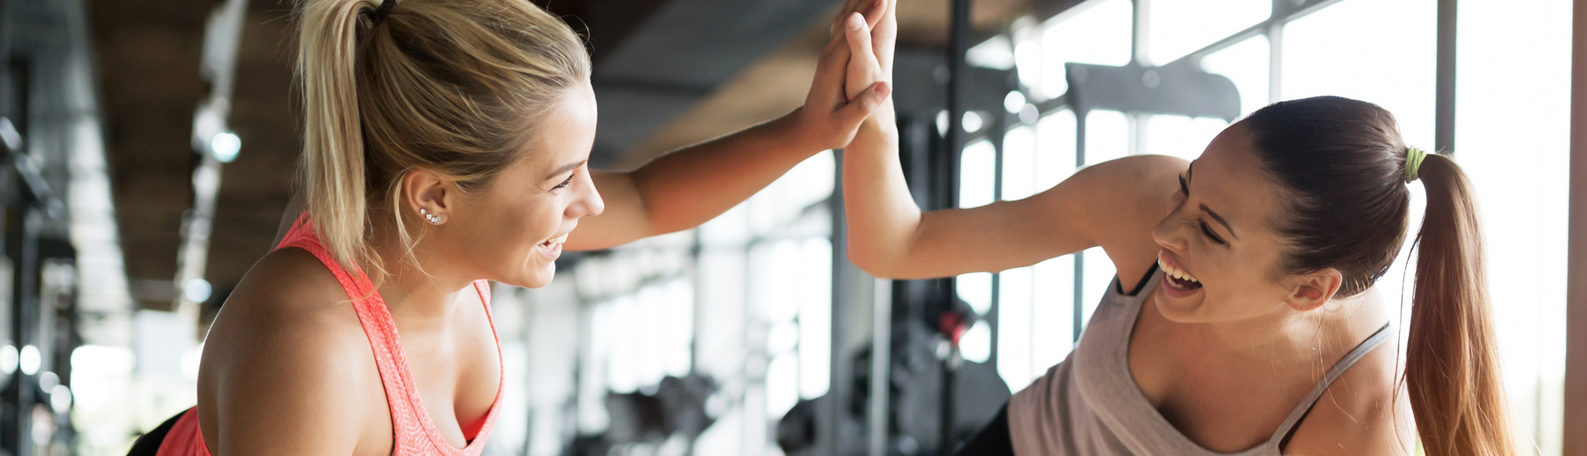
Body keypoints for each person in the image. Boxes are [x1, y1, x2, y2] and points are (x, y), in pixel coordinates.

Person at [127, 0, 893, 453]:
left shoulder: (434, 239)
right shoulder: (311, 352)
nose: (590, 203)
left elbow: (651, 201)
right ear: (432, 195)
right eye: (561, 180)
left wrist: (806, 132)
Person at [837, 30, 1515, 453]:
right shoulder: (1141, 202)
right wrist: (872, 108)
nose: (1164, 229)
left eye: (1210, 231)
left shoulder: (1358, 423)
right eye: (1187, 188)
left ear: (1309, 290)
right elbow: (896, 245)